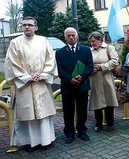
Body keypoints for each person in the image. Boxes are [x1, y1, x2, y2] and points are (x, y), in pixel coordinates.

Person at [4, 16, 57, 152]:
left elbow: (50, 59)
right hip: (25, 85)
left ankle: (46, 140)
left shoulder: (43, 41)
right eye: (24, 25)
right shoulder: (15, 43)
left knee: (43, 114)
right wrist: (27, 77)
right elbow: (12, 63)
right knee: (28, 115)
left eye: (30, 25)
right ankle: (29, 142)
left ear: (36, 27)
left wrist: (43, 74)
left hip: (41, 83)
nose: (26, 27)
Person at [55, 27, 93, 144]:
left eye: (73, 35)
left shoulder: (86, 50)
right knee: (68, 111)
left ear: (77, 36)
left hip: (82, 85)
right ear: (65, 37)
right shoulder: (60, 52)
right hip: (68, 86)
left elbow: (90, 65)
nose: (71, 37)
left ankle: (82, 130)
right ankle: (69, 133)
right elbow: (60, 69)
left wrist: (82, 76)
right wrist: (70, 79)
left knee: (82, 110)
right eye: (68, 36)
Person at [88, 31, 119, 132]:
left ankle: (110, 123)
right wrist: (90, 69)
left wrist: (102, 67)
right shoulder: (89, 51)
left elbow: (115, 61)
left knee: (109, 100)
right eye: (91, 42)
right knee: (97, 101)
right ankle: (98, 123)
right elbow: (86, 63)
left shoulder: (109, 48)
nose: (92, 43)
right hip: (95, 78)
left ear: (100, 40)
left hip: (106, 77)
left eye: (94, 41)